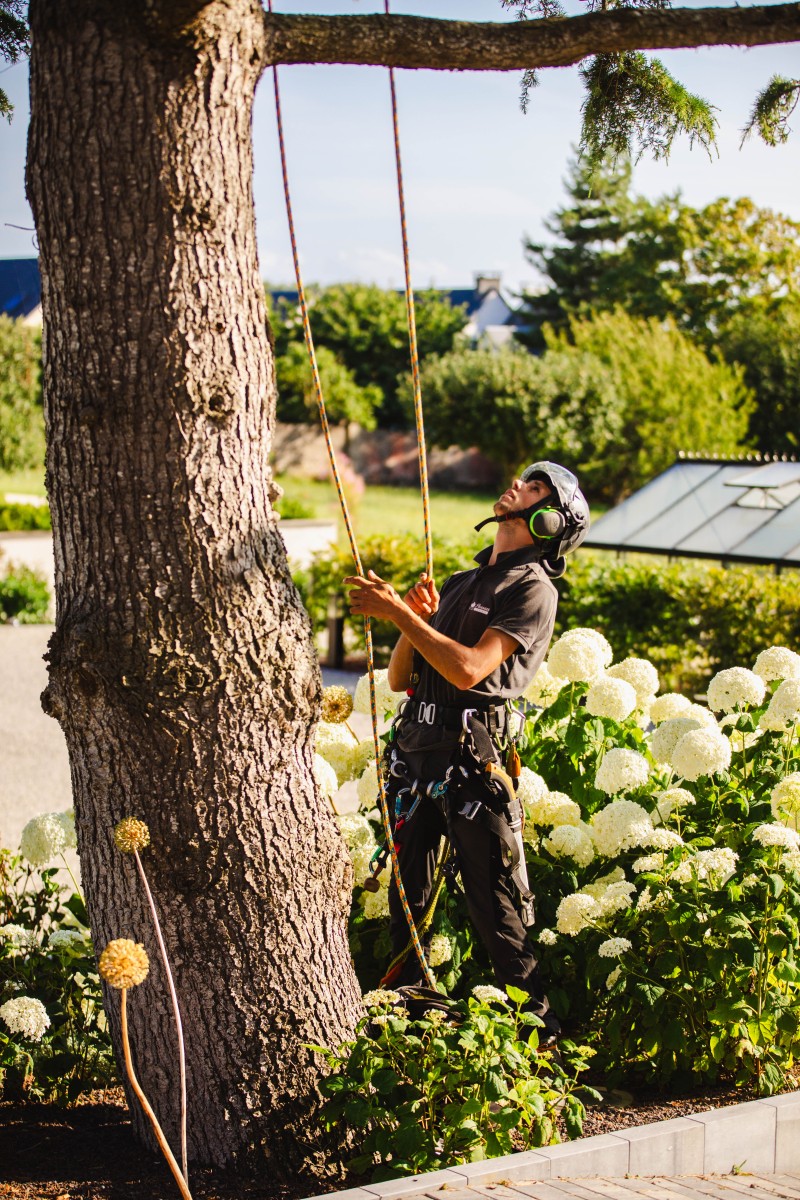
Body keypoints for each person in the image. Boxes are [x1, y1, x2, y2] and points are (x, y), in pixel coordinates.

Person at [344, 461, 589, 1038]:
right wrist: (413, 623)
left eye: (535, 489)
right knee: (408, 898)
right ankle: (406, 1014)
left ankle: (539, 1031)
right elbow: (402, 680)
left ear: (550, 520)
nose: (517, 487)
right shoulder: (461, 581)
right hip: (418, 748)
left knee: (493, 902)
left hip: (470, 760)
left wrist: (398, 613)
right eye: (525, 480)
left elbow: (469, 670)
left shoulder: (532, 590)